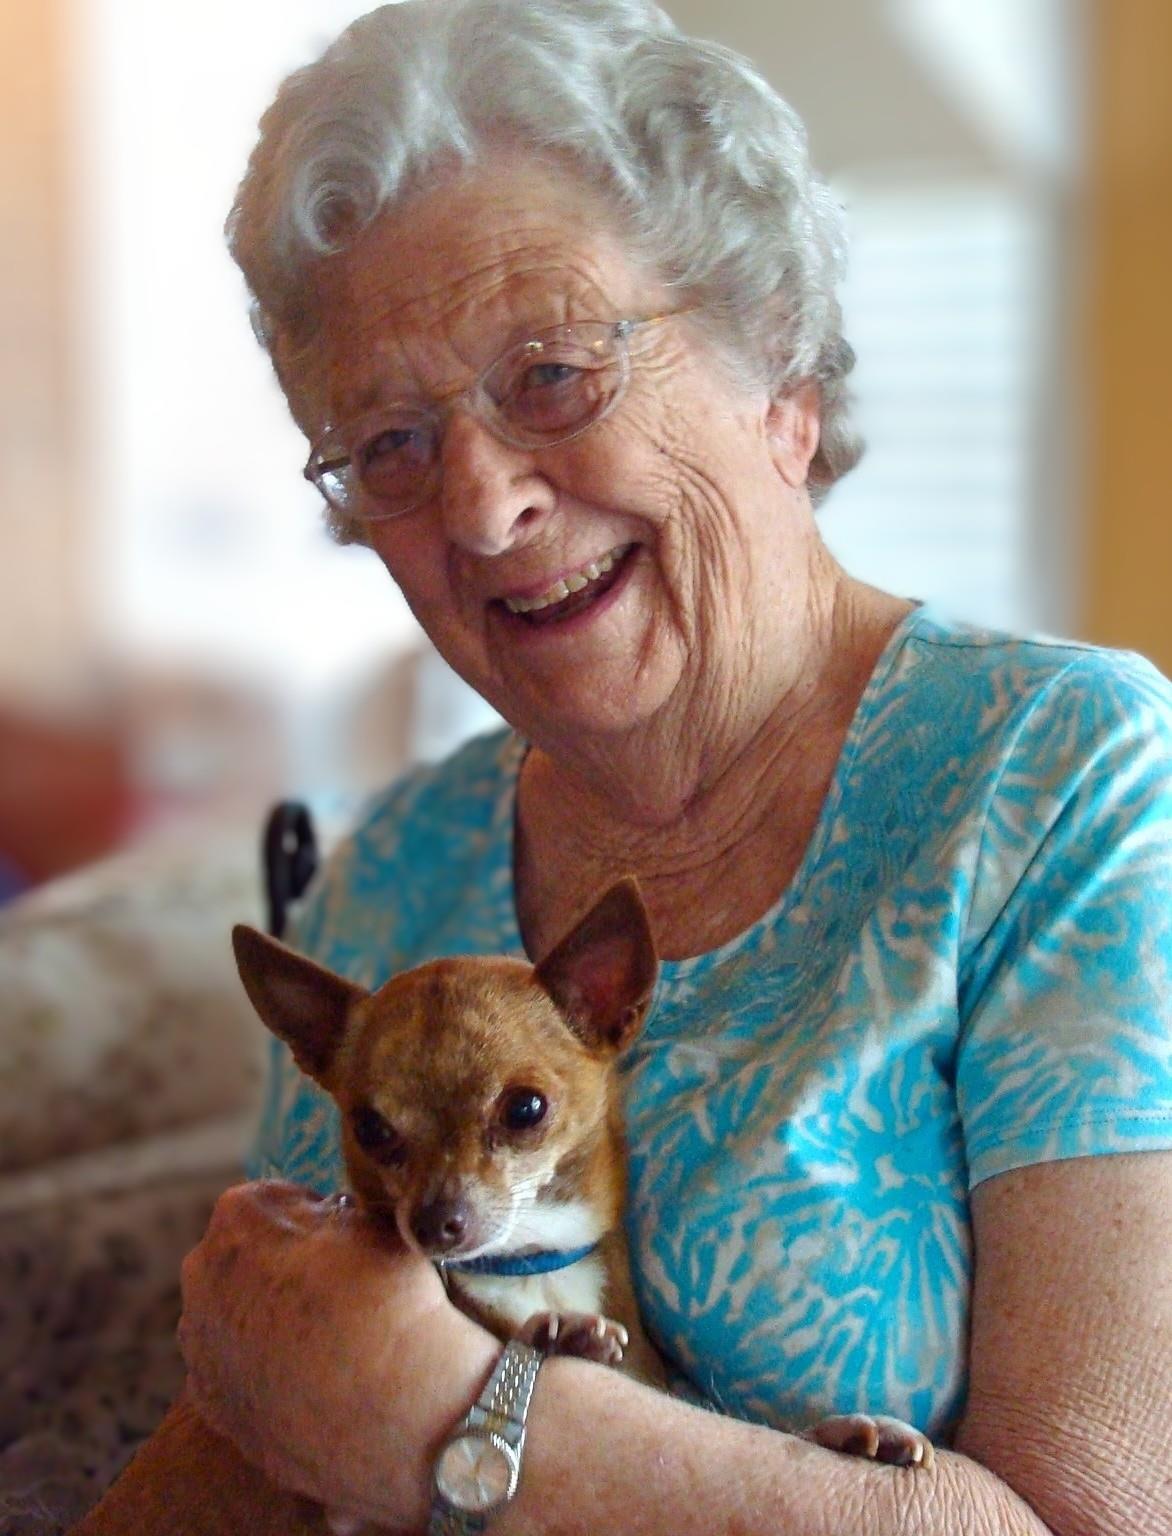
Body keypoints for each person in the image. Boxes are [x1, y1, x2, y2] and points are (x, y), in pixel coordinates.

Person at [86, 2, 1172, 1532]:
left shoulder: (1066, 779)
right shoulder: (393, 870)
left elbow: (1104, 1522)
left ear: (778, 381)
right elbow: (267, 1414)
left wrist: (454, 1421)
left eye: (551, 373)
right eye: (389, 445)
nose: (475, 507)